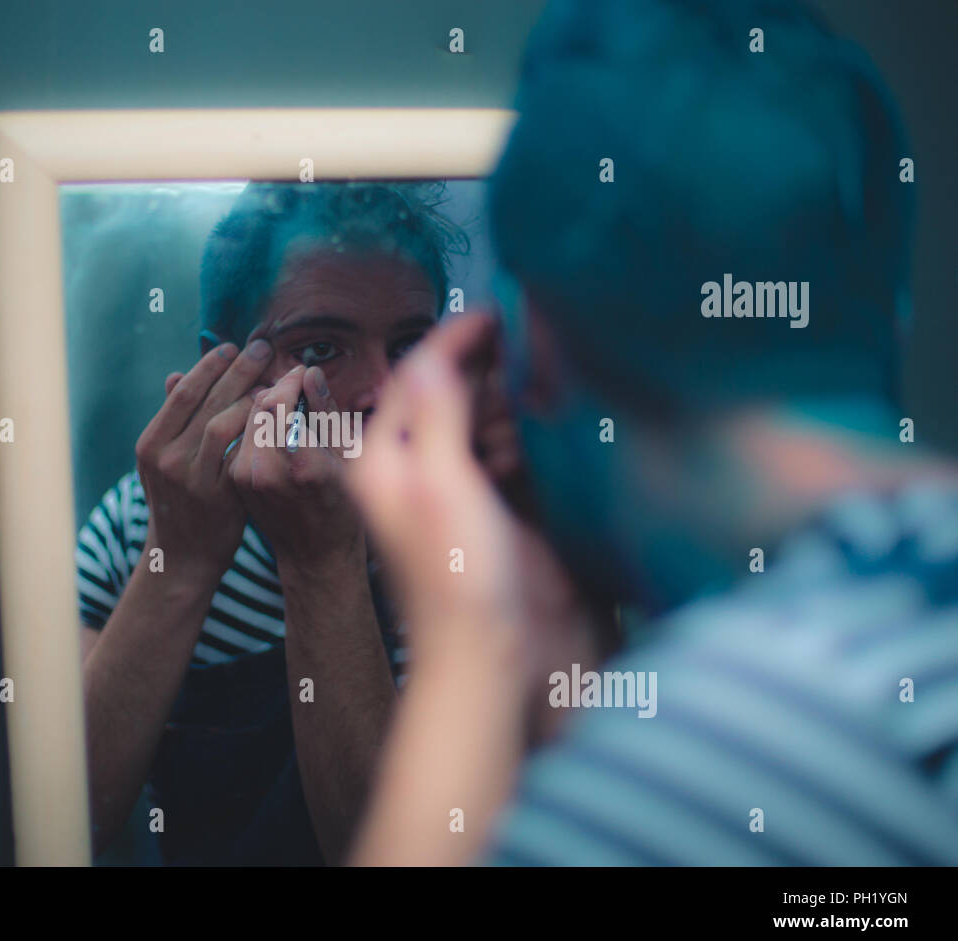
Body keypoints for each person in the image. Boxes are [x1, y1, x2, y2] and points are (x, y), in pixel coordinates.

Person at [346, 0, 958, 866]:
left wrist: (468, 652)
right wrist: (561, 636)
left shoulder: (754, 733)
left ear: (535, 353)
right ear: (893, 321)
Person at [76, 181, 476, 864]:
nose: (384, 391)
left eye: (409, 345)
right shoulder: (141, 520)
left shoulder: (474, 550)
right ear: (225, 371)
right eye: (321, 349)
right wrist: (183, 558)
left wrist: (323, 565)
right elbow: (61, 812)